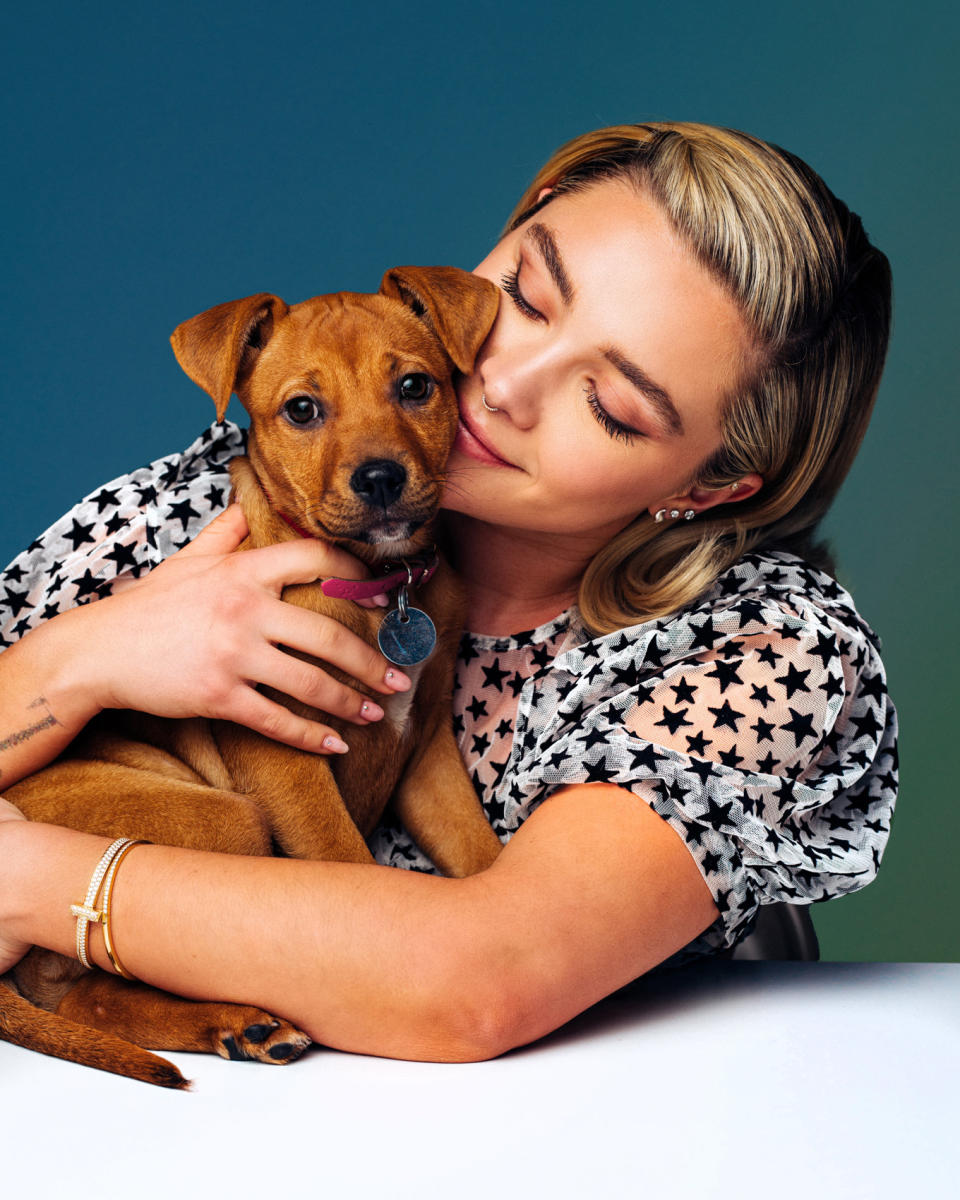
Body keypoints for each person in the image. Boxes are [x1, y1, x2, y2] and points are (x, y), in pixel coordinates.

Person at [0, 122, 897, 1062]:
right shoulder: (200, 509)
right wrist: (80, 661)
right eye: (524, 296)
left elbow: (475, 986)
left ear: (705, 489)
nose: (502, 381)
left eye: (612, 405)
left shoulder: (761, 652)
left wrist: (26, 877)